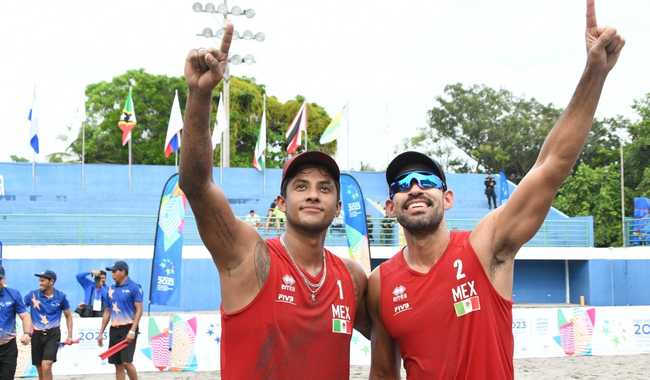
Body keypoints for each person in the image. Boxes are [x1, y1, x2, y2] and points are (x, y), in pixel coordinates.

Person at [368, 2, 624, 378]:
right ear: (391, 206)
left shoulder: (485, 247)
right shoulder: (380, 284)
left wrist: (594, 74)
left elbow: (550, 167)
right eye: (403, 184)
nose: (416, 188)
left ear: (448, 197)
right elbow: (383, 374)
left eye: (427, 180)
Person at [179, 24, 370, 379]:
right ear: (281, 203)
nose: (314, 193)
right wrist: (200, 96)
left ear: (339, 208)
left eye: (325, 188)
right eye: (301, 186)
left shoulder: (352, 278)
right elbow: (197, 185)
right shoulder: (249, 256)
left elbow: (403, 332)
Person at [97, 260, 143, 380]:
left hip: (128, 328)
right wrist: (101, 332)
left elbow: (139, 310)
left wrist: (132, 331)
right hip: (114, 329)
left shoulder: (134, 287)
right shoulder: (110, 289)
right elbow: (107, 311)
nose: (112, 274)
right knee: (118, 364)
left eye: (114, 271)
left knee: (127, 362)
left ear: (123, 272)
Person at [24, 270, 73, 380]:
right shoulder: (32, 295)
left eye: (43, 280)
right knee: (40, 368)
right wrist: (26, 332)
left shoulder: (61, 296)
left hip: (53, 334)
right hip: (36, 334)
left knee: (46, 365)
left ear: (51, 282)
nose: (40, 283)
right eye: (39, 280)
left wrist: (69, 335)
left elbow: (68, 316)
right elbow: (21, 310)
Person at [0, 265, 32, 380]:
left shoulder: (13, 294)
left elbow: (25, 316)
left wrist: (27, 333)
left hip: (8, 347)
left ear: (3, 279)